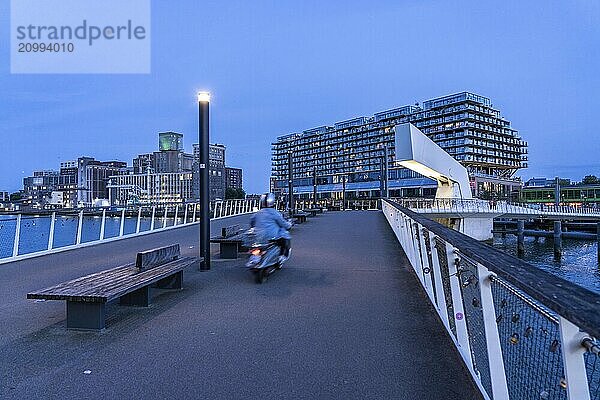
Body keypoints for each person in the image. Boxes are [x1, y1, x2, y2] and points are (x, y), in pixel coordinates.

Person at [250, 193, 292, 260]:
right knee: (285, 238)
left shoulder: (257, 213)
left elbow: (252, 223)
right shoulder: (275, 213)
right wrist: (289, 225)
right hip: (272, 237)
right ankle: (282, 256)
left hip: (259, 237)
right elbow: (283, 224)